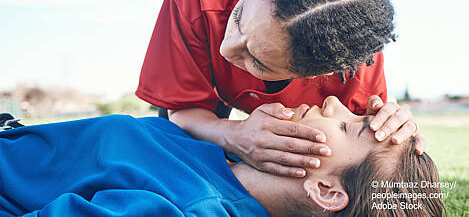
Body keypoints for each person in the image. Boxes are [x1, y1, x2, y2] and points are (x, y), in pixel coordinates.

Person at [136, 0, 426, 177]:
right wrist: (232, 134)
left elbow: (370, 162)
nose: (225, 49)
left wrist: (400, 137)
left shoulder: (353, 68)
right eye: (237, 17)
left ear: (319, 75)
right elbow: (183, 110)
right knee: (175, 151)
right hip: (194, 118)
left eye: (257, 61)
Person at [0, 97, 443, 216]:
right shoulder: (228, 157)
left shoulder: (189, 208)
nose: (332, 101)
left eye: (348, 126)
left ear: (325, 190)